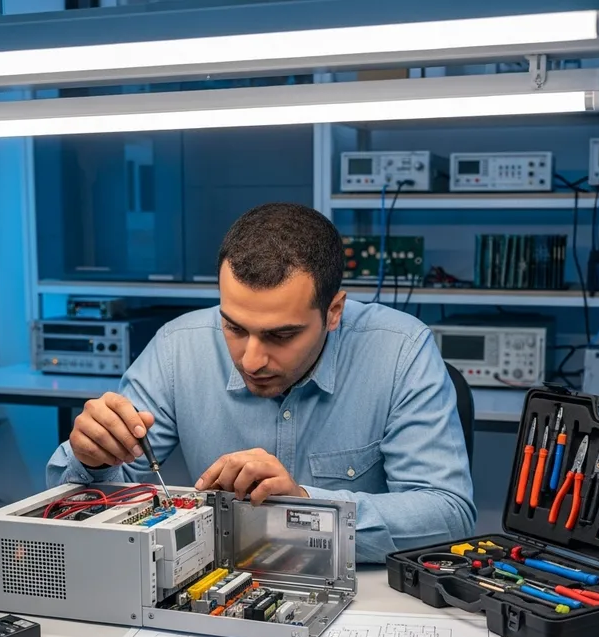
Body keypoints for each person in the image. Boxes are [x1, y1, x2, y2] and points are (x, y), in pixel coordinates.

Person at [46, 202, 475, 562]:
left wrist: (306, 507)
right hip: (218, 583)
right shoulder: (179, 348)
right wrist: (94, 461)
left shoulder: (400, 350)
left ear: (334, 311)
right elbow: (85, 504)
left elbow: (448, 512)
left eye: (281, 335)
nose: (251, 360)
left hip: (361, 598)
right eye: (233, 327)